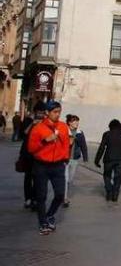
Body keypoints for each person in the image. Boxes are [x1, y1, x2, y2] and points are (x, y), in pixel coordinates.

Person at [27, 100, 70, 235]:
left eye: (59, 112)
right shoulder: (38, 128)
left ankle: (50, 214)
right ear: (47, 112)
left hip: (58, 165)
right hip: (41, 166)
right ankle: (43, 222)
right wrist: (45, 141)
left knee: (59, 194)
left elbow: (66, 144)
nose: (58, 114)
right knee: (42, 196)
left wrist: (65, 158)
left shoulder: (63, 127)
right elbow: (31, 148)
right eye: (55, 112)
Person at [94, 119, 121, 202]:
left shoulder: (107, 134)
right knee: (118, 177)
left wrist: (97, 160)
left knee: (107, 175)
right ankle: (115, 194)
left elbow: (102, 147)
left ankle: (109, 192)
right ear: (120, 126)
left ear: (110, 126)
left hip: (109, 159)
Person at [19, 103, 45, 211]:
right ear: (35, 112)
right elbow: (23, 134)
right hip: (28, 155)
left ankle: (35, 199)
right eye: (39, 112)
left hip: (40, 155)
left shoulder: (45, 123)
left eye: (42, 113)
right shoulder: (28, 120)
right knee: (28, 177)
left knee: (38, 178)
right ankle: (28, 198)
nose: (40, 114)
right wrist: (32, 124)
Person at [63, 115, 88, 207]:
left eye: (77, 121)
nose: (77, 123)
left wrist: (85, 158)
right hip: (65, 159)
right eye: (75, 121)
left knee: (70, 179)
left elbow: (83, 146)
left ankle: (65, 194)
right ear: (69, 122)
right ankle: (64, 198)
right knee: (65, 179)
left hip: (74, 159)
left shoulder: (80, 133)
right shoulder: (64, 131)